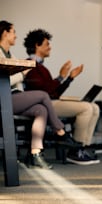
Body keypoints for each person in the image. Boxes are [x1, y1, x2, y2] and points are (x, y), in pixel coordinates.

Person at [0, 20, 81, 169]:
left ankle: (35, 154)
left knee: (41, 110)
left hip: (14, 96)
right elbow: (4, 80)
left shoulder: (11, 54)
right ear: (5, 33)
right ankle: (61, 132)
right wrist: (23, 73)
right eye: (13, 32)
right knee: (43, 95)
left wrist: (67, 77)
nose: (16, 36)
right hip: (4, 98)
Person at [23, 28, 100, 165]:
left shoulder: (41, 67)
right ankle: (75, 151)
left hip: (51, 101)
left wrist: (70, 78)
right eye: (47, 44)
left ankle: (83, 147)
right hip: (45, 105)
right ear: (37, 45)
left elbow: (54, 92)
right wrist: (61, 77)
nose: (49, 47)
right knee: (86, 108)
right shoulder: (30, 65)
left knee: (94, 107)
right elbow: (42, 91)